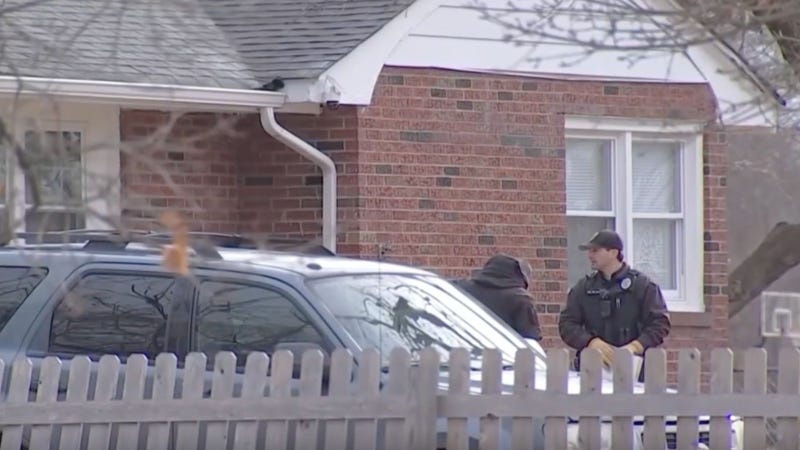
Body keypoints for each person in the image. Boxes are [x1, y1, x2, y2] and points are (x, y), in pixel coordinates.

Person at [558, 229, 670, 376]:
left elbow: (660, 323)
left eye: (595, 250)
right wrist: (591, 342)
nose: (590, 255)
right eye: (589, 251)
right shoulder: (583, 288)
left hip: (634, 370)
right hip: (591, 370)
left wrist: (635, 346)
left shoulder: (642, 286)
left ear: (613, 253)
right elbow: (567, 324)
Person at [454, 254, 542, 341]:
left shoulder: (461, 289)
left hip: (463, 349)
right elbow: (531, 340)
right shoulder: (521, 299)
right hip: (508, 353)